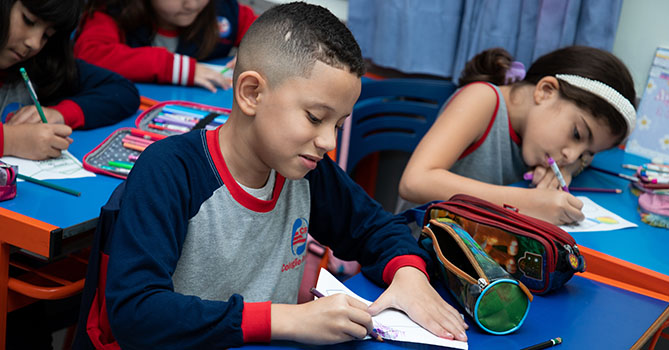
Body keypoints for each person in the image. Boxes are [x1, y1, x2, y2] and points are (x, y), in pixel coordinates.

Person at [99, 2, 468, 348]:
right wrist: (288, 320)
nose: (328, 141)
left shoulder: (305, 171)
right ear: (252, 93)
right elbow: (137, 313)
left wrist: (409, 275)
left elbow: (375, 227)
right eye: (314, 117)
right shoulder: (170, 171)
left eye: (338, 125)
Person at [398, 46, 636, 225]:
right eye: (576, 134)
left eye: (585, 153)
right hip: (417, 250)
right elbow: (414, 182)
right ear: (545, 91)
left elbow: (580, 158)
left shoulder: (547, 140)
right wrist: (524, 202)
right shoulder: (482, 100)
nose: (570, 155)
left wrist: (569, 170)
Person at [1, 0, 140, 161]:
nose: (34, 43)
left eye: (47, 35)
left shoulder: (40, 64)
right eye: (29, 21)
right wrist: (11, 140)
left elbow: (122, 91)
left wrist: (59, 113)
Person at [74, 0, 257, 93]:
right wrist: (174, 68)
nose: (191, 4)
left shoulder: (224, 9)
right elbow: (89, 54)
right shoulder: (113, 11)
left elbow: (269, 32)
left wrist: (255, 53)